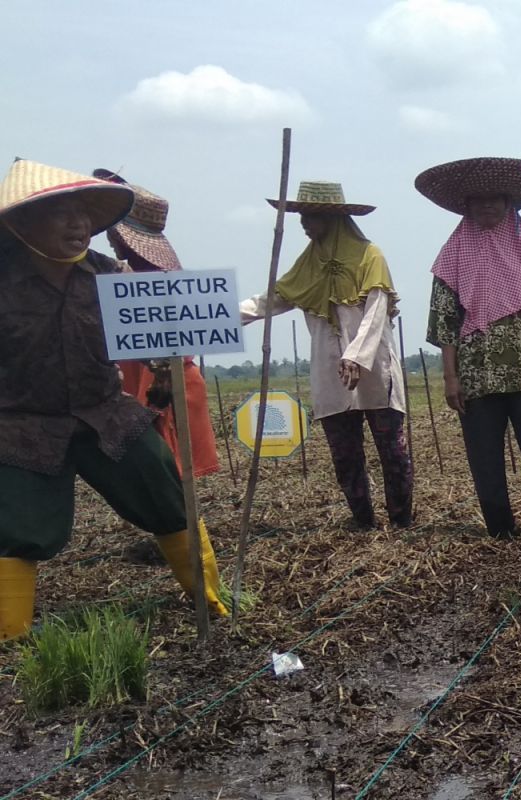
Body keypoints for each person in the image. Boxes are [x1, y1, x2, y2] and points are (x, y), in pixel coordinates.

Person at [0, 159, 227, 640]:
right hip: (22, 426)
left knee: (166, 496)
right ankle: (9, 636)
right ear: (23, 225)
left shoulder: (109, 277)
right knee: (18, 526)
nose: (78, 224)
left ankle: (212, 599)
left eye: (83, 214)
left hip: (107, 415)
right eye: (62, 214)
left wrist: (165, 366)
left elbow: (157, 345)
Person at [241, 181, 413, 529]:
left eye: (313, 216)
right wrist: (222, 318)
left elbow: (376, 310)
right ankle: (362, 519)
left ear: (334, 219)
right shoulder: (307, 265)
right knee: (344, 452)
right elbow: (270, 299)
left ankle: (400, 520)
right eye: (303, 216)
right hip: (330, 372)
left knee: (392, 449)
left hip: (373, 368)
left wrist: (356, 356)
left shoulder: (370, 256)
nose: (305, 223)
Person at [418, 157, 521, 536]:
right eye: (479, 201)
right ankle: (500, 531)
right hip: (475, 375)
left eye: (496, 200)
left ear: (509, 205)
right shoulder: (453, 255)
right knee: (485, 459)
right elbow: (444, 322)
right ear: (466, 207)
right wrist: (450, 378)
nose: (488, 207)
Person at [93, 169, 221, 479]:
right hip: (146, 386)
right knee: (164, 479)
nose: (110, 239)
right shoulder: (118, 276)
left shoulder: (148, 282)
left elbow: (166, 357)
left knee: (169, 477)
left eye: (114, 232)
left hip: (160, 388)